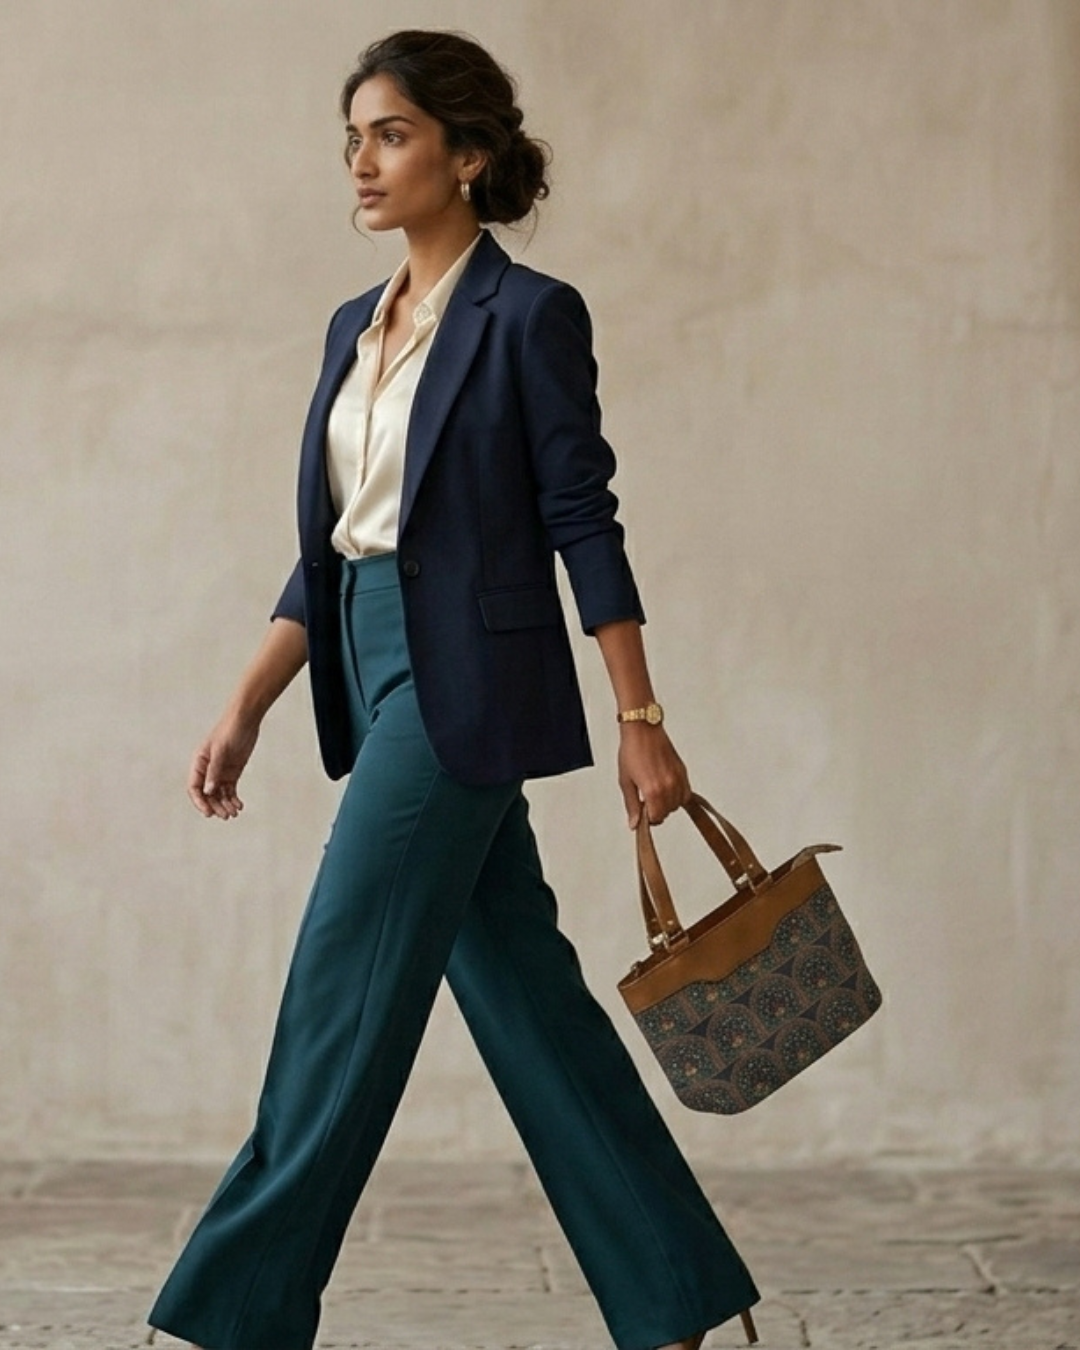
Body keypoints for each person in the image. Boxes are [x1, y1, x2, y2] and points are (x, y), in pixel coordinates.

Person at [148, 29, 759, 1350]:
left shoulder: (531, 316)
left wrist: (640, 717)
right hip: (368, 664)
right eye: (352, 139)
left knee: (340, 982)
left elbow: (582, 522)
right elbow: (334, 547)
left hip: (467, 680)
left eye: (391, 134)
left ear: (466, 155)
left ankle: (237, 1312)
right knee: (530, 1003)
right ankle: (676, 1298)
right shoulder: (349, 328)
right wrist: (247, 701)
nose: (362, 162)